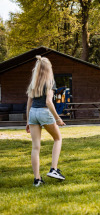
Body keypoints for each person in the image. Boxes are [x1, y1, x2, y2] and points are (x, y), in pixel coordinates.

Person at [26, 55, 66, 187]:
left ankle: (37, 179)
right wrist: (57, 118)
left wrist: (27, 120)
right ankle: (53, 169)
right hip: (44, 112)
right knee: (58, 138)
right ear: (48, 68)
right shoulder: (50, 82)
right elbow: (49, 102)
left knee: (35, 147)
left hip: (33, 113)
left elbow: (29, 103)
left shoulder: (34, 83)